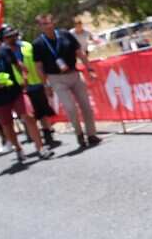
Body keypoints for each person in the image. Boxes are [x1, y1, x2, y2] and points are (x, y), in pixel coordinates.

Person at [0, 29, 51, 163]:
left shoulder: (5, 50)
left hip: (15, 91)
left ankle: (41, 148)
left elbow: (17, 64)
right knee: (7, 125)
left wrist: (24, 74)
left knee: (29, 117)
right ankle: (18, 149)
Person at [32, 13, 101, 149]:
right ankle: (79, 133)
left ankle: (91, 134)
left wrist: (89, 68)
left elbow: (79, 52)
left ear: (53, 23)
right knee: (70, 108)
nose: (46, 26)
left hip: (74, 74)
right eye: (43, 24)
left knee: (86, 105)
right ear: (39, 27)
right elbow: (39, 67)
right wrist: (45, 84)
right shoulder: (38, 44)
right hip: (56, 78)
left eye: (48, 23)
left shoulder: (65, 35)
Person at [2, 25, 60, 149]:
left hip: (35, 83)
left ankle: (47, 133)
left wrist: (44, 81)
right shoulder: (2, 53)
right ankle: (34, 136)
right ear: (4, 39)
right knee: (29, 114)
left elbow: (38, 63)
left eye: (13, 35)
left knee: (42, 111)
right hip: (19, 88)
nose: (11, 38)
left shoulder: (26, 46)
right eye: (8, 37)